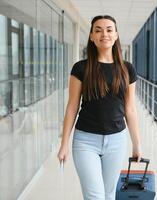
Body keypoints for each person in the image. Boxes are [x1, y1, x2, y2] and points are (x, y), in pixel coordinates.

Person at [57, 15, 142, 200]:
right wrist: (63, 144)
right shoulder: (81, 68)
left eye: (109, 29)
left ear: (116, 35)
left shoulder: (127, 69)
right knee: (94, 195)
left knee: (109, 194)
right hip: (85, 141)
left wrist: (136, 144)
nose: (104, 34)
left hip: (117, 141)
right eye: (98, 30)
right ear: (91, 37)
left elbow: (130, 109)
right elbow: (72, 107)